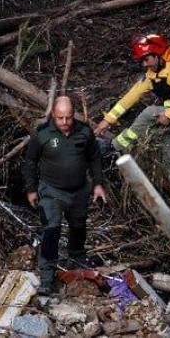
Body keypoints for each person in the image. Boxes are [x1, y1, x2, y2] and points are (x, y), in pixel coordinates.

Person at [94, 33, 170, 200]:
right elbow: (130, 97)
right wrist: (107, 120)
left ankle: (114, 147)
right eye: (142, 61)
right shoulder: (152, 75)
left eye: (146, 59)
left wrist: (169, 114)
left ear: (157, 54)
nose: (144, 64)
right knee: (166, 156)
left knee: (148, 112)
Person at [23, 96, 107, 294]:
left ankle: (77, 259)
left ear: (73, 114)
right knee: (52, 227)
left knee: (78, 226)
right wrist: (31, 189)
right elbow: (30, 162)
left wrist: (98, 185)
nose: (65, 122)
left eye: (68, 117)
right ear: (53, 115)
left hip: (79, 190)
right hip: (51, 190)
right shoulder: (42, 134)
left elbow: (94, 158)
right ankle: (47, 274)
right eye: (60, 118)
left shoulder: (85, 132)